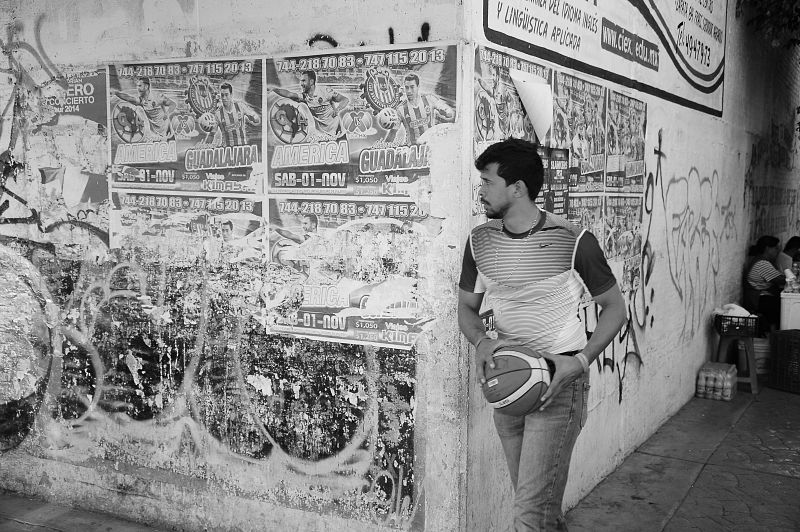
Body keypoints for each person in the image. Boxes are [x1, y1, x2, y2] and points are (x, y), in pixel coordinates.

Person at [458, 139, 626, 531]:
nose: (481, 190)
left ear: (517, 188)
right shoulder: (479, 241)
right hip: (508, 383)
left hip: (559, 382)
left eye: (488, 182)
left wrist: (580, 362)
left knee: (530, 514)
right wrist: (482, 341)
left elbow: (615, 309)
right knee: (539, 508)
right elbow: (466, 308)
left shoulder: (574, 239)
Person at [270, 70, 349, 139]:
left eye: (303, 81)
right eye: (301, 81)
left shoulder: (325, 91)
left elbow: (345, 99)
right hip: (322, 135)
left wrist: (338, 109)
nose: (301, 84)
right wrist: (274, 89)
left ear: (311, 82)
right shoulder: (304, 97)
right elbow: (289, 94)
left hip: (338, 133)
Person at [397, 73, 454, 144]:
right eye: (406, 87)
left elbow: (448, 111)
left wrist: (447, 112)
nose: (409, 91)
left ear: (418, 87)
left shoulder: (429, 98)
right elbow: (394, 130)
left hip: (430, 145)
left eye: (412, 87)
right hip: (412, 148)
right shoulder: (400, 108)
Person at [743, 235, 785, 329]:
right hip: (756, 299)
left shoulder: (761, 260)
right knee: (782, 305)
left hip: (759, 296)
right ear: (767, 248)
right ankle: (775, 332)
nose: (777, 251)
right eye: (775, 248)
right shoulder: (762, 263)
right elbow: (780, 280)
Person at [213, 82, 260, 146]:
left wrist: (254, 117)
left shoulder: (240, 106)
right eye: (222, 95)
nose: (224, 98)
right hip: (227, 149)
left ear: (231, 95)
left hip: (242, 147)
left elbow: (256, 119)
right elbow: (213, 132)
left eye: (226, 95)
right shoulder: (217, 113)